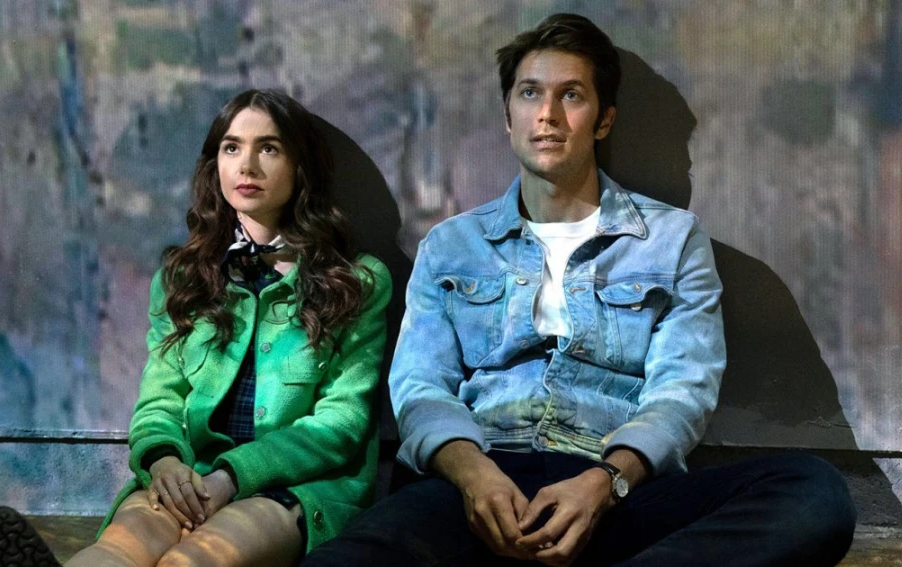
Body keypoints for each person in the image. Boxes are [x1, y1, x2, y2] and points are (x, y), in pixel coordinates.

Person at [304, 13, 856, 567]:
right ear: (508, 117)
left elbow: (682, 392)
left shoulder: (671, 240)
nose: (547, 114)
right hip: (476, 483)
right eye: (530, 93)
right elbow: (420, 387)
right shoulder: (452, 245)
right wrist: (474, 478)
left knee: (813, 493)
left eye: (571, 95)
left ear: (603, 120)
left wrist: (605, 483)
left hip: (614, 490)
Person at [0, 89, 392, 567]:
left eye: (269, 148)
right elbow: (160, 398)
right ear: (216, 163)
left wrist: (231, 477)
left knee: (194, 560)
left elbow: (341, 423)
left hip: (296, 488)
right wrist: (164, 460)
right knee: (117, 550)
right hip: (191, 474)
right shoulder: (184, 278)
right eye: (232, 147)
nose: (247, 165)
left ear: (300, 166)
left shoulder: (356, 282)